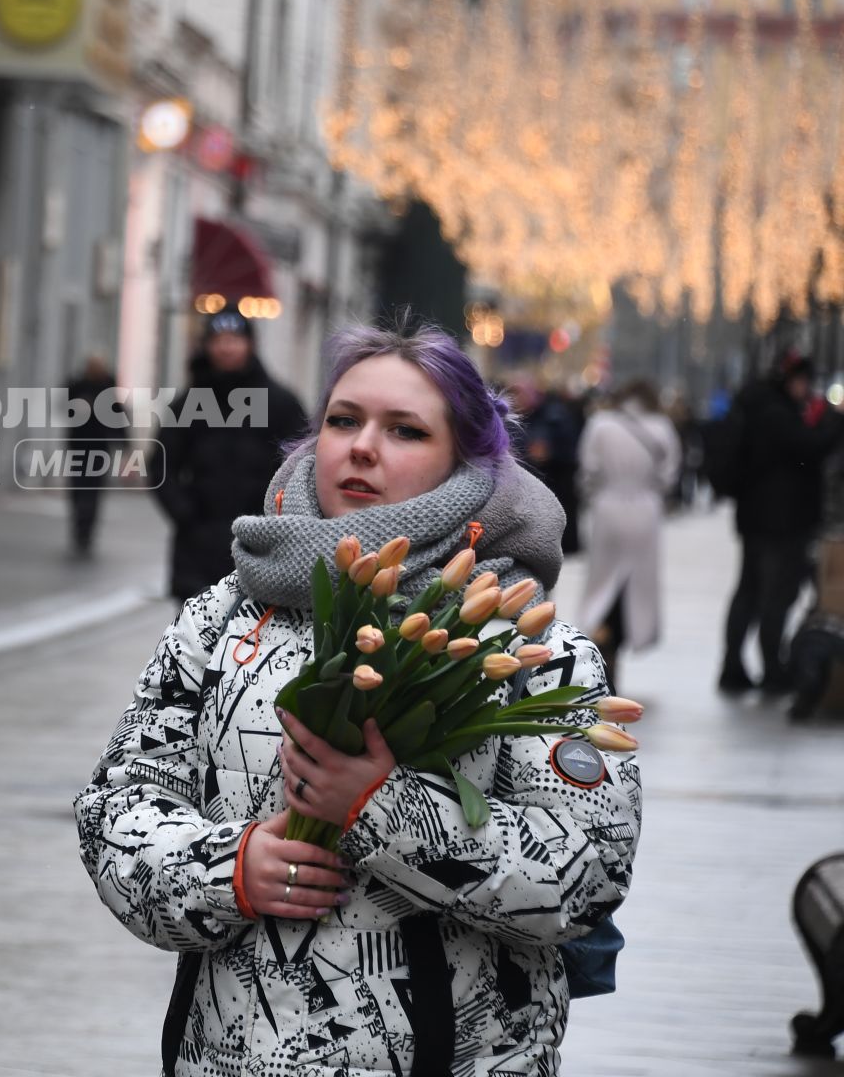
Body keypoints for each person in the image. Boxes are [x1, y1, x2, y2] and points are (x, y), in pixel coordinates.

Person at [76, 320, 639, 1077]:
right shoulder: (225, 615)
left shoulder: (525, 645)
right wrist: (231, 868)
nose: (362, 446)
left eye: (405, 430)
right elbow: (117, 806)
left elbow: (590, 869)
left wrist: (378, 806)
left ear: (465, 463)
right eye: (343, 420)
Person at [150, 310, 306, 605]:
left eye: (235, 339)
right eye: (218, 340)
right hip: (198, 548)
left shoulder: (281, 403)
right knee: (194, 642)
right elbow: (161, 465)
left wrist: (279, 521)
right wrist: (185, 514)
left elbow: (302, 464)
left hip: (260, 547)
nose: (226, 347)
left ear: (250, 344)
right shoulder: (188, 404)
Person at [720, 349, 844, 693]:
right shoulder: (776, 411)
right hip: (781, 522)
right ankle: (772, 670)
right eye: (803, 381)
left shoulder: (756, 404)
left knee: (749, 592)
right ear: (790, 380)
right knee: (776, 595)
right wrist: (835, 422)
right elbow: (808, 447)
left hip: (757, 518)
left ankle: (733, 667)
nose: (807, 389)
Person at [576, 379, 681, 687]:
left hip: (607, 506)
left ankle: (601, 635)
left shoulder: (600, 424)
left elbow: (588, 468)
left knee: (602, 580)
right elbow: (669, 474)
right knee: (636, 582)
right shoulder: (662, 427)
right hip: (645, 509)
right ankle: (625, 635)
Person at [519, 377, 585, 555]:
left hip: (557, 477)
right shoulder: (524, 417)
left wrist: (550, 452)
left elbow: (569, 447)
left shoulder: (554, 415)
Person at [65, 354, 120, 558]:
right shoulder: (77, 385)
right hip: (79, 447)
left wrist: (125, 446)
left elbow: (118, 417)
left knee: (93, 492)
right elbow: (65, 407)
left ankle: (87, 531)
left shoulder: (108, 388)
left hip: (99, 450)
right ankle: (79, 528)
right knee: (79, 490)